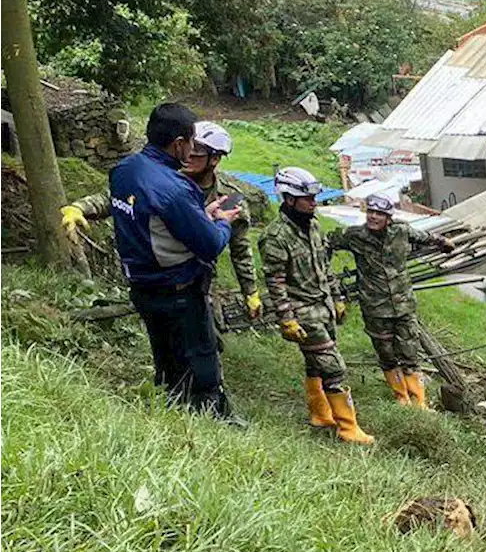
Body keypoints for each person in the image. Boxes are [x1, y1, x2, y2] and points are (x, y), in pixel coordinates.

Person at [107, 103, 243, 424]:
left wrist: (199, 217)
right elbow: (209, 245)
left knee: (167, 363)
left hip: (142, 287)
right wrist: (221, 222)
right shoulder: (174, 188)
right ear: (179, 143)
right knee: (201, 365)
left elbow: (153, 221)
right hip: (178, 291)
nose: (194, 149)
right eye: (192, 142)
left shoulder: (124, 170)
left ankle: (171, 416)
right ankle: (210, 424)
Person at [62, 121, 261, 328]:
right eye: (190, 147)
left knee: (208, 335)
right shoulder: (162, 184)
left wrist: (251, 292)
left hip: (201, 278)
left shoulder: (229, 200)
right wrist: (80, 207)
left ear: (215, 159)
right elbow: (116, 197)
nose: (189, 155)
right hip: (160, 278)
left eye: (197, 152)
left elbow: (240, 251)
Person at [259, 167, 373, 445]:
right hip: (302, 311)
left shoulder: (313, 225)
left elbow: (325, 267)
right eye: (307, 198)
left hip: (323, 306)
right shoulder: (275, 237)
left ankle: (320, 413)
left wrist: (337, 297)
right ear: (288, 200)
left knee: (316, 364)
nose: (314, 203)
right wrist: (286, 318)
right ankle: (348, 428)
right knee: (334, 367)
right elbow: (276, 283)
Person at [327, 193, 453, 407]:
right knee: (386, 354)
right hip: (375, 307)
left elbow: (424, 237)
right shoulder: (354, 235)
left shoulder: (401, 231)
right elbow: (327, 242)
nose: (373, 217)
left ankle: (419, 401)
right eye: (371, 212)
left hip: (403, 305)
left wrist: (443, 242)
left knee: (410, 353)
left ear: (389, 218)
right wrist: (330, 281)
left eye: (379, 214)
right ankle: (401, 398)